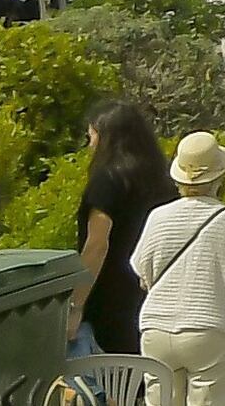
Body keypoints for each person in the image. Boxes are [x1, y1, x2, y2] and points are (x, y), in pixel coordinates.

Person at [129, 134, 225, 406]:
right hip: (210, 328)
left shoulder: (158, 216)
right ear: (220, 176)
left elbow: (144, 278)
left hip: (156, 326)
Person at [65, 102, 170, 360]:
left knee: (107, 381)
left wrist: (76, 304)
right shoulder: (161, 181)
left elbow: (97, 244)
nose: (90, 145)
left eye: (92, 136)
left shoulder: (109, 180)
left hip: (109, 294)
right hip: (150, 289)